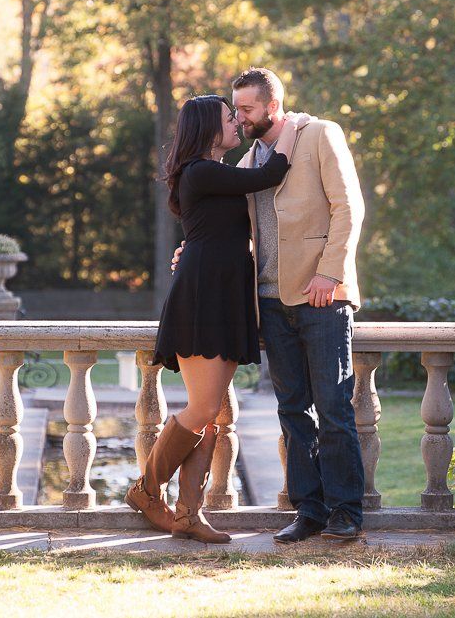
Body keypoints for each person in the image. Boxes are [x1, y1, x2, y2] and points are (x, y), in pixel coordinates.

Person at [172, 68, 366, 543]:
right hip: (270, 300)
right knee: (293, 410)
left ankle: (346, 511)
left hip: (321, 295)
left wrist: (330, 272)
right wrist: (191, 249)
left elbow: (349, 208)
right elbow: (228, 224)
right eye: (235, 110)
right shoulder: (249, 161)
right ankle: (309, 511)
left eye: (246, 109)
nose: (238, 118)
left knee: (334, 408)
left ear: (272, 106)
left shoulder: (321, 134)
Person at [125, 94, 309, 544]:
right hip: (203, 296)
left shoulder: (218, 172)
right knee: (204, 408)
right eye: (230, 118)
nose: (237, 124)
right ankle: (146, 491)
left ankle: (189, 514)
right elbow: (269, 174)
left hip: (224, 294)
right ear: (209, 129)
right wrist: (292, 126)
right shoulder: (200, 171)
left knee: (212, 411)